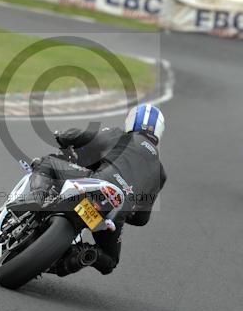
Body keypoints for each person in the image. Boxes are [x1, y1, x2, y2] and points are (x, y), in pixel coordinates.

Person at [17, 104, 167, 276]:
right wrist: (126, 211)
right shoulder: (160, 174)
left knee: (48, 162)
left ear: (132, 122)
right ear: (158, 131)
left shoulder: (120, 136)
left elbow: (82, 136)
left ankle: (36, 199)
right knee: (110, 261)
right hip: (114, 212)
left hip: (95, 185)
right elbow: (141, 218)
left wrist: (61, 137)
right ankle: (82, 256)